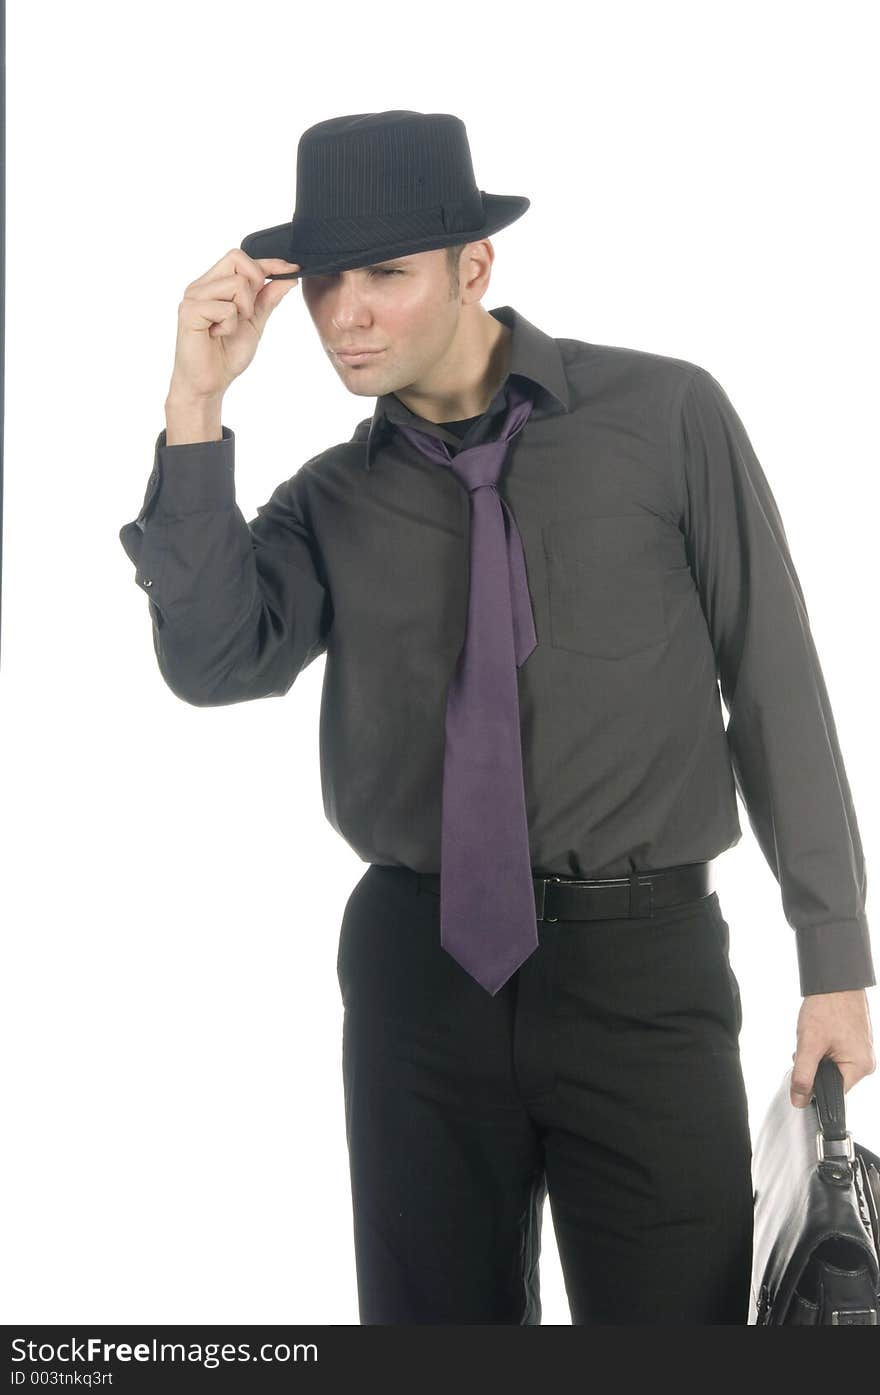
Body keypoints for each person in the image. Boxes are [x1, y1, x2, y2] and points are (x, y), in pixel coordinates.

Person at [119, 110, 875, 1324]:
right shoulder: (330, 501)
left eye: (385, 273)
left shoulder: (665, 419)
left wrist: (833, 959)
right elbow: (214, 661)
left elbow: (774, 680)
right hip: (418, 979)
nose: (343, 313)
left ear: (476, 268)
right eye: (322, 279)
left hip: (643, 972)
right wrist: (195, 405)